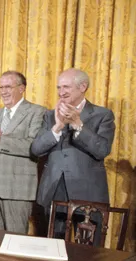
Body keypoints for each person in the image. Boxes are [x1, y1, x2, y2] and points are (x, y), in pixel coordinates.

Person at [31, 68, 115, 244]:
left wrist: (78, 125)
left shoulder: (102, 115)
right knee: (54, 247)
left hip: (88, 193)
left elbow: (102, 150)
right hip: (55, 190)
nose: (61, 92)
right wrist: (57, 128)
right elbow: (36, 149)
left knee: (89, 254)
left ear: (82, 86)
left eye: (66, 87)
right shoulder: (49, 115)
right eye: (59, 87)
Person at [0, 71, 46, 233]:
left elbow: (35, 147)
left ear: (22, 88)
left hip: (17, 188)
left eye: (8, 87)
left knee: (15, 240)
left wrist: (0, 139)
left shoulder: (37, 112)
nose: (3, 91)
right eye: (1, 87)